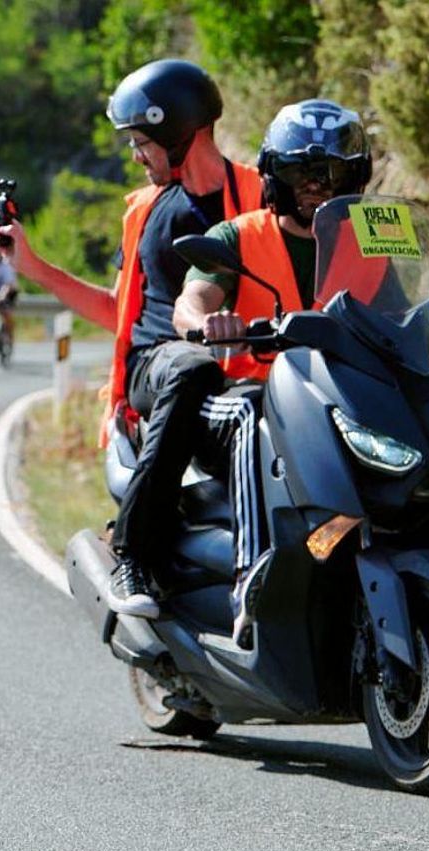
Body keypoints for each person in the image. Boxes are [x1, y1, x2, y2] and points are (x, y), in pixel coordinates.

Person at [0, 59, 264, 620]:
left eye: (143, 143)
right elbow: (121, 311)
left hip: (238, 372)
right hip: (156, 367)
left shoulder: (258, 196)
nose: (136, 155)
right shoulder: (147, 210)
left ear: (178, 134)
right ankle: (133, 553)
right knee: (191, 367)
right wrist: (34, 266)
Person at [172, 99, 372, 643]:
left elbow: (408, 305)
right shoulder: (240, 235)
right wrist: (208, 322)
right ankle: (249, 574)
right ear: (275, 177)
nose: (317, 184)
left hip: (338, 396)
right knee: (250, 418)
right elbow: (191, 300)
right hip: (252, 388)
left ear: (356, 176)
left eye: (332, 172)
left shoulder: (371, 240)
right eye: (301, 172)